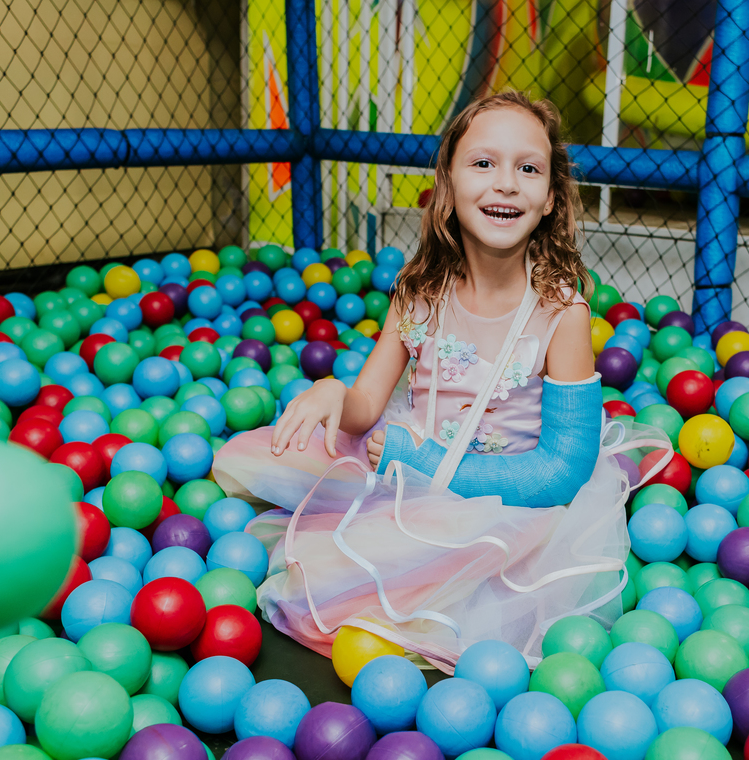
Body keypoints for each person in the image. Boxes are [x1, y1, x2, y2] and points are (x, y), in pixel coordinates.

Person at [213, 90, 669, 671]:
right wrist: (336, 392)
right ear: (448, 189)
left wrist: (422, 461)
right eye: (484, 163)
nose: (506, 183)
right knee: (268, 457)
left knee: (361, 575)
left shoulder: (561, 312)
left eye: (527, 169)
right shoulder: (419, 294)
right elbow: (366, 405)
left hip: (505, 498)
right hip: (406, 459)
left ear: (551, 197)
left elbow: (562, 472)